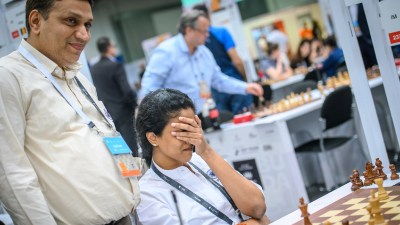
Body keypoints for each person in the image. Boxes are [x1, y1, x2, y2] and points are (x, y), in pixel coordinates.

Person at [0, 0, 140, 224]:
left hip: (130, 215)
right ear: (35, 21)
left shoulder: (78, 77)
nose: (84, 35)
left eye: (88, 25)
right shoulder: (9, 76)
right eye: (71, 21)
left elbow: (105, 136)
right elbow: (12, 174)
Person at [135, 88, 269, 225]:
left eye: (194, 128)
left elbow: (257, 207)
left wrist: (207, 152)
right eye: (182, 131)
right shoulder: (147, 193)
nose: (191, 138)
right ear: (153, 138)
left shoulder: (202, 159)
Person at [138, 10, 263, 116]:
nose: (207, 35)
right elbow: (149, 89)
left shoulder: (204, 53)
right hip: (174, 120)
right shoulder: (166, 52)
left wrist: (245, 87)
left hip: (202, 114)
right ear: (189, 30)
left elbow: (218, 80)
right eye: (203, 31)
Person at [192, 4, 252, 115]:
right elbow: (237, 61)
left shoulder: (195, 43)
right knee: (245, 119)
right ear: (208, 15)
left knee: (226, 124)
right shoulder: (221, 32)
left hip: (216, 90)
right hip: (233, 81)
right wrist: (244, 79)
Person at [91, 36, 138, 156]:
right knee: (131, 144)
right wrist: (134, 105)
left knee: (118, 147)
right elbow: (126, 90)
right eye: (113, 46)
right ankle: (137, 172)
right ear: (108, 48)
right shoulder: (115, 65)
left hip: (107, 112)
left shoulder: (94, 69)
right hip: (123, 111)